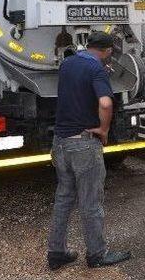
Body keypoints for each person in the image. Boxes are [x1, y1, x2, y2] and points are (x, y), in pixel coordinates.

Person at [47, 31, 131, 270]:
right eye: (111, 51)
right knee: (91, 202)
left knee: (63, 198)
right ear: (106, 51)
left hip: (60, 142)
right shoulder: (96, 69)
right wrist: (104, 130)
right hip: (84, 143)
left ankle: (56, 252)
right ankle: (97, 254)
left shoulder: (67, 64)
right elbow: (105, 103)